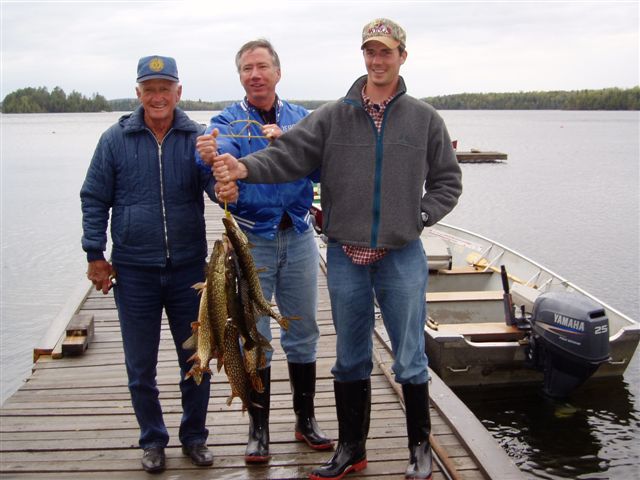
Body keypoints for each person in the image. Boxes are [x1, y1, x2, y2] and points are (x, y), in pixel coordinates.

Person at [202, 19, 463, 480]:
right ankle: (351, 449)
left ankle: (419, 449)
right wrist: (241, 167)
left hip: (402, 255)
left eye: (386, 52)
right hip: (345, 256)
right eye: (370, 52)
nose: (377, 61)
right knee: (350, 356)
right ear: (363, 56)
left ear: (403, 56)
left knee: (409, 355)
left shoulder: (424, 118)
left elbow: (447, 181)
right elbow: (288, 156)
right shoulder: (331, 116)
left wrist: (419, 217)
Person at [195, 39, 333, 463]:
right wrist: (213, 163)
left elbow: (322, 166)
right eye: (247, 69)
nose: (255, 74)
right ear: (240, 76)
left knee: (304, 329)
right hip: (252, 240)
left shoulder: (301, 119)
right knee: (254, 333)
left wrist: (289, 139)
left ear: (278, 72)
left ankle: (305, 419)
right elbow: (223, 161)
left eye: (262, 67)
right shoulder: (226, 121)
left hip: (299, 236)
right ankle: (258, 428)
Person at [80, 55, 215, 474]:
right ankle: (153, 439)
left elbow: (219, 191)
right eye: (149, 88)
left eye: (165, 88)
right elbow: (94, 198)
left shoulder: (197, 137)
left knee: (197, 361)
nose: (157, 96)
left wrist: (219, 165)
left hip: (189, 272)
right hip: (134, 271)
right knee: (140, 366)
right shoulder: (114, 139)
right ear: (138, 93)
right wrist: (94, 254)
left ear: (178, 92)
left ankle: (193, 437)